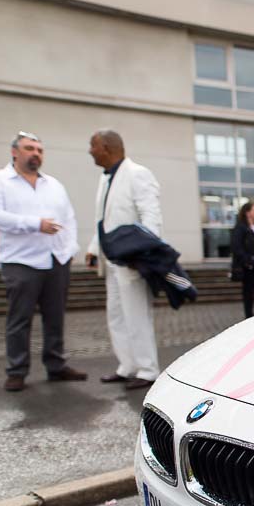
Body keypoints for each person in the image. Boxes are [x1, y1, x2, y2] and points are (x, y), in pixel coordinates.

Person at [0, 132, 86, 392]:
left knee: (55, 317)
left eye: (39, 149)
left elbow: (69, 218)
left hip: (56, 259)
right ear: (15, 152)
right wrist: (34, 224)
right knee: (19, 319)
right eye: (29, 148)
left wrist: (70, 248)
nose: (36, 153)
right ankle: (16, 371)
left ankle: (56, 365)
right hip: (21, 261)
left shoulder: (54, 184)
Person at [85, 129, 161, 391]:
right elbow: (102, 219)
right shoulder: (105, 179)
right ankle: (127, 366)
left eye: (92, 146)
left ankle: (148, 369)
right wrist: (94, 248)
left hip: (132, 260)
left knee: (137, 314)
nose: (90, 151)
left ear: (106, 147)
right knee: (116, 315)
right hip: (111, 261)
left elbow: (151, 217)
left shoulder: (138, 174)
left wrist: (142, 254)